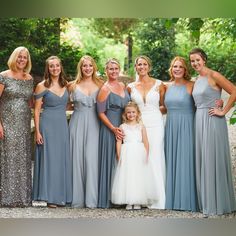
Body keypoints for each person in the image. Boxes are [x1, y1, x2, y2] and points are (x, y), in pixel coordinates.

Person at [190, 48, 236, 216]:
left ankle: (219, 203)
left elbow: (234, 91)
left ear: (204, 59)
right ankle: (207, 201)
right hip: (199, 120)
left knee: (213, 158)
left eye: (197, 60)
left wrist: (223, 112)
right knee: (204, 158)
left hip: (212, 120)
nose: (195, 63)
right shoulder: (197, 79)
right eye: (192, 61)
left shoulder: (214, 75)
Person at [32, 55, 72, 208]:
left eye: (57, 65)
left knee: (61, 160)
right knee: (49, 160)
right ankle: (49, 197)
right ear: (47, 69)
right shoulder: (42, 86)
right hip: (47, 126)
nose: (55, 68)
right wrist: (37, 132)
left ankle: (60, 196)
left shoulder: (66, 85)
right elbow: (36, 111)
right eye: (51, 66)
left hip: (62, 126)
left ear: (60, 67)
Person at [127, 55, 166, 209]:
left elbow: (165, 106)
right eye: (139, 65)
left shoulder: (160, 84)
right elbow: (128, 107)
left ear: (149, 67)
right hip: (139, 126)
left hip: (156, 124)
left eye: (144, 64)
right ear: (135, 67)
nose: (142, 67)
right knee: (141, 158)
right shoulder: (130, 86)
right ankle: (141, 196)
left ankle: (157, 198)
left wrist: (154, 111)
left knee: (155, 157)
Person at [68, 55, 103, 208]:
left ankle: (92, 199)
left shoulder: (102, 85)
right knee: (76, 159)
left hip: (95, 123)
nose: (87, 68)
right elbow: (64, 105)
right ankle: (76, 199)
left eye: (90, 65)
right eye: (84, 66)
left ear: (94, 67)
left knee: (92, 158)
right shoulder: (72, 86)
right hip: (77, 123)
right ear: (80, 68)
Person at [0, 46, 33, 207]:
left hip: (24, 123)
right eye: (19, 57)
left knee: (22, 157)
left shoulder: (29, 78)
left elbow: (31, 102)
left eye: (25, 57)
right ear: (14, 57)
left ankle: (22, 197)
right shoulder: (3, 76)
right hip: (7, 122)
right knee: (8, 157)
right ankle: (7, 197)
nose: (22, 60)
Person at [164, 56, 198, 212]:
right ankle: (171, 197)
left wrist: (219, 103)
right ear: (171, 69)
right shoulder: (166, 86)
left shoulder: (192, 85)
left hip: (187, 127)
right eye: (174, 67)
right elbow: (163, 108)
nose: (177, 69)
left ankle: (186, 199)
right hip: (170, 126)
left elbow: (203, 102)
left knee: (186, 160)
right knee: (170, 160)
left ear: (185, 70)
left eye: (180, 67)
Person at [111, 101, 159, 210]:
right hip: (127, 153)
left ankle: (138, 201)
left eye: (133, 112)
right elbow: (119, 142)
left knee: (138, 176)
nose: (131, 114)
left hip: (139, 153)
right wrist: (119, 156)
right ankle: (128, 200)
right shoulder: (122, 126)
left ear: (137, 113)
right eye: (128, 113)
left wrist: (146, 155)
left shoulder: (141, 126)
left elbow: (146, 141)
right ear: (125, 114)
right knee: (128, 176)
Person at [97, 58, 130, 208]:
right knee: (111, 160)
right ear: (106, 71)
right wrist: (113, 128)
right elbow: (100, 112)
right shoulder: (105, 89)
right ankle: (109, 197)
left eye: (116, 68)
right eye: (110, 69)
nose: (114, 71)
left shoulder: (123, 85)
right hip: (110, 127)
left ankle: (123, 196)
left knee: (123, 160)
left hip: (124, 127)